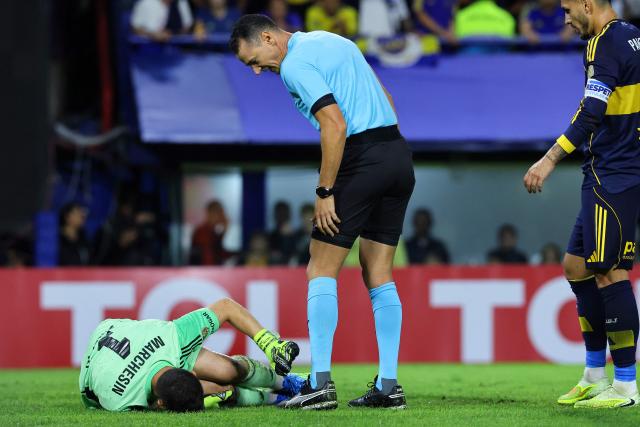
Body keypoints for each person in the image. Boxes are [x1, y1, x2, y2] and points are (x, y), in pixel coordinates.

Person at [230, 14, 414, 409]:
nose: (258, 71)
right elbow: (388, 100)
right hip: (397, 154)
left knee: (320, 267)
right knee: (378, 270)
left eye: (254, 61)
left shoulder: (295, 64)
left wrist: (325, 190)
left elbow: (334, 125)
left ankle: (319, 384)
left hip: (362, 158)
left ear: (267, 37)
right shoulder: (335, 42)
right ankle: (388, 385)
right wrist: (384, 157)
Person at [523, 0, 640, 408]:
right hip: (612, 170)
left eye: (568, 9)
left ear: (588, 4)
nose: (566, 19)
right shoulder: (634, 36)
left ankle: (626, 385)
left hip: (614, 173)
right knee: (576, 266)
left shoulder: (601, 44)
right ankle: (594, 374)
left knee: (610, 272)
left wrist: (548, 158)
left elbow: (592, 111)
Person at [79, 297, 302, 412]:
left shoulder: (175, 337)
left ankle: (285, 382)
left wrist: (271, 345)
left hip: (123, 333)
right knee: (221, 392)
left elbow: (225, 307)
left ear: (190, 370)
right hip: (99, 362)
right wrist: (218, 392)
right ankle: (275, 397)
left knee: (227, 371)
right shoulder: (121, 400)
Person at [189, 200, 229, 265]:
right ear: (210, 213)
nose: (222, 217)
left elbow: (218, 251)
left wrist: (225, 231)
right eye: (220, 213)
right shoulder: (202, 231)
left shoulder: (212, 231)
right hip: (203, 272)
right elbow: (208, 260)